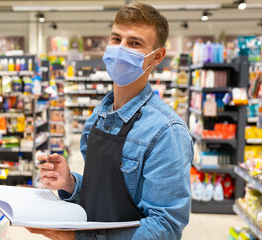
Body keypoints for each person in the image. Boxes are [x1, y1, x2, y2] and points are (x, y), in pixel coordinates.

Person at [30, 2, 193, 240]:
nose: (120, 49)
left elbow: (164, 228)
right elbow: (105, 196)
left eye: (134, 43)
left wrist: (80, 238)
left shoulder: (167, 131)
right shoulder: (98, 116)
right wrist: (71, 184)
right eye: (116, 39)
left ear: (157, 57)